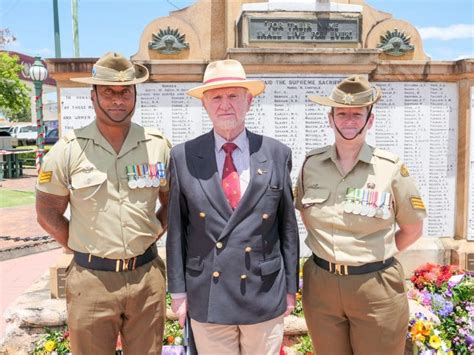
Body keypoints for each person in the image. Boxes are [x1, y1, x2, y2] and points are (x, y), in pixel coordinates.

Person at [36, 52, 171, 354]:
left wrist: (153, 232)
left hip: (146, 278)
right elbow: (47, 212)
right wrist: (81, 245)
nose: (117, 100)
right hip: (91, 282)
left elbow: (171, 201)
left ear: (135, 94)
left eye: (125, 92)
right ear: (93, 96)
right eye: (108, 92)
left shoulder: (158, 146)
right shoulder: (68, 150)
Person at [166, 59, 299, 355]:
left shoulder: (276, 153)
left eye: (233, 96)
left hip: (263, 292)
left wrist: (290, 288)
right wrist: (178, 292)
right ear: (204, 104)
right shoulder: (183, 156)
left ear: (249, 101)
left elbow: (287, 227)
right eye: (216, 97)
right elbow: (176, 230)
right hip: (208, 294)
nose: (225, 105)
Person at [296, 75, 427, 355]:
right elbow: (306, 216)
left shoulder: (390, 169)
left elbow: (413, 229)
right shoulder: (311, 165)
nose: (349, 120)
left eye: (357, 114)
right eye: (341, 113)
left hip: (375, 288)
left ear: (370, 120)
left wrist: (371, 257)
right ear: (330, 119)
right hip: (321, 286)